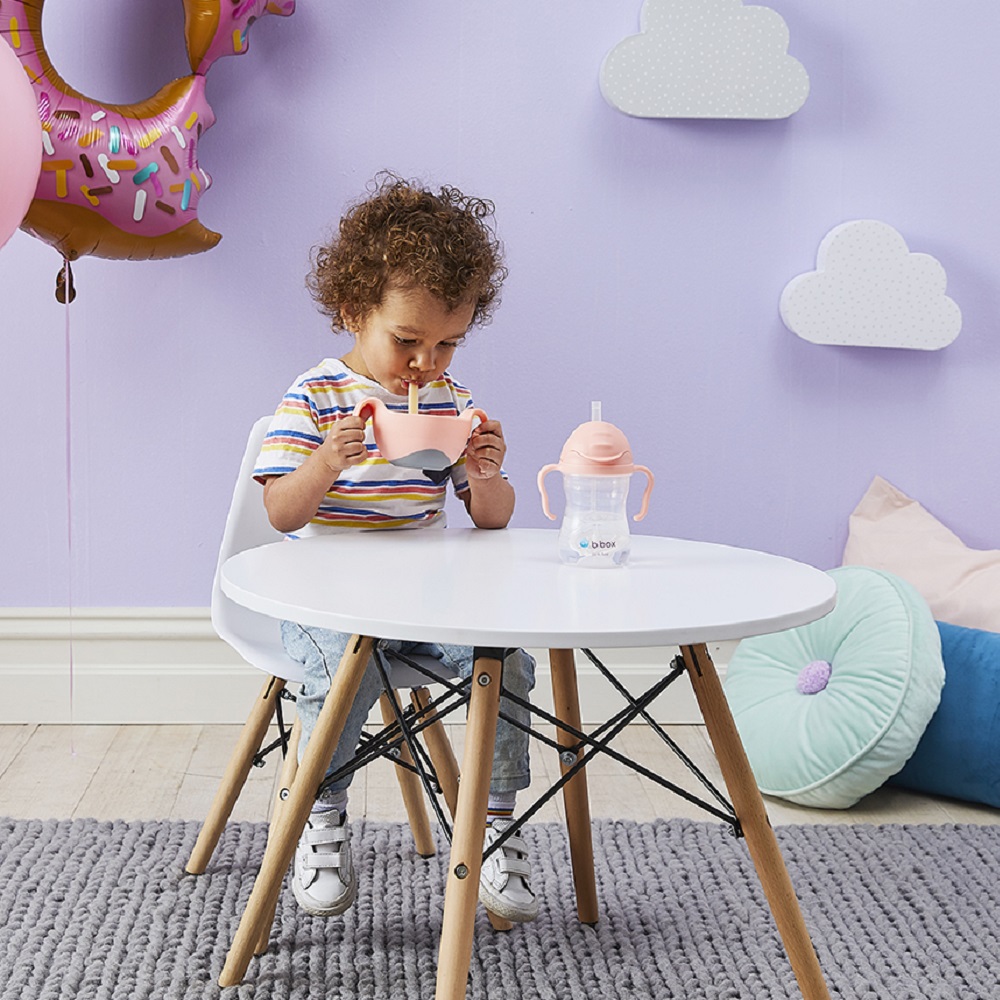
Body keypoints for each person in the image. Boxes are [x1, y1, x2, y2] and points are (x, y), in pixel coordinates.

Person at [253, 172, 538, 924]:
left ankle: (496, 823)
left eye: (448, 344)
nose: (425, 365)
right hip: (327, 593)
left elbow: (494, 520)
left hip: (425, 593)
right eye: (407, 341)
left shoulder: (448, 401)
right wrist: (324, 462)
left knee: (505, 660)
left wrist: (484, 474)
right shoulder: (316, 397)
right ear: (353, 310)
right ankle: (323, 818)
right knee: (337, 677)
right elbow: (279, 513)